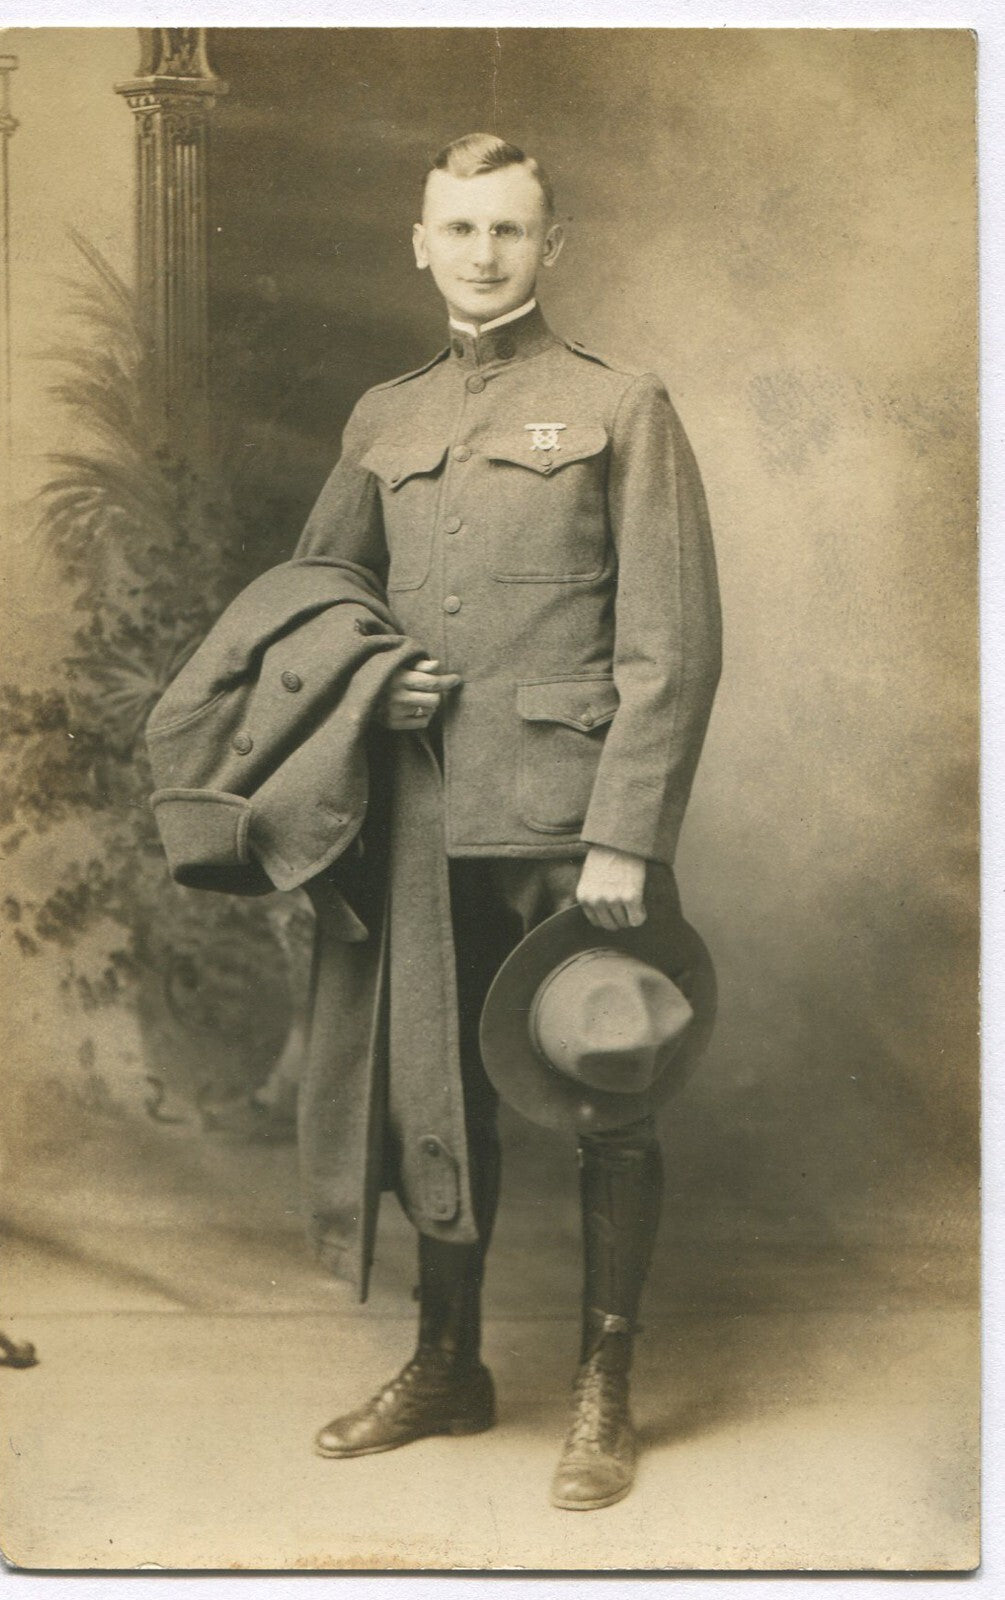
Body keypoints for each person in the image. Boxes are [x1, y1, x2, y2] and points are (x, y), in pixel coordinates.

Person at [290, 132, 721, 1511]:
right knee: (436, 1094)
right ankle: (447, 1363)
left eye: (509, 229)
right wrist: (375, 680)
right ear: (419, 243)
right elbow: (314, 609)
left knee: (610, 1088)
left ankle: (604, 1389)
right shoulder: (384, 416)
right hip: (421, 823)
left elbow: (671, 643)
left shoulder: (618, 403)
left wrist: (626, 831)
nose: (483, 253)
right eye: (460, 228)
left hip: (569, 829)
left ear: (551, 246)